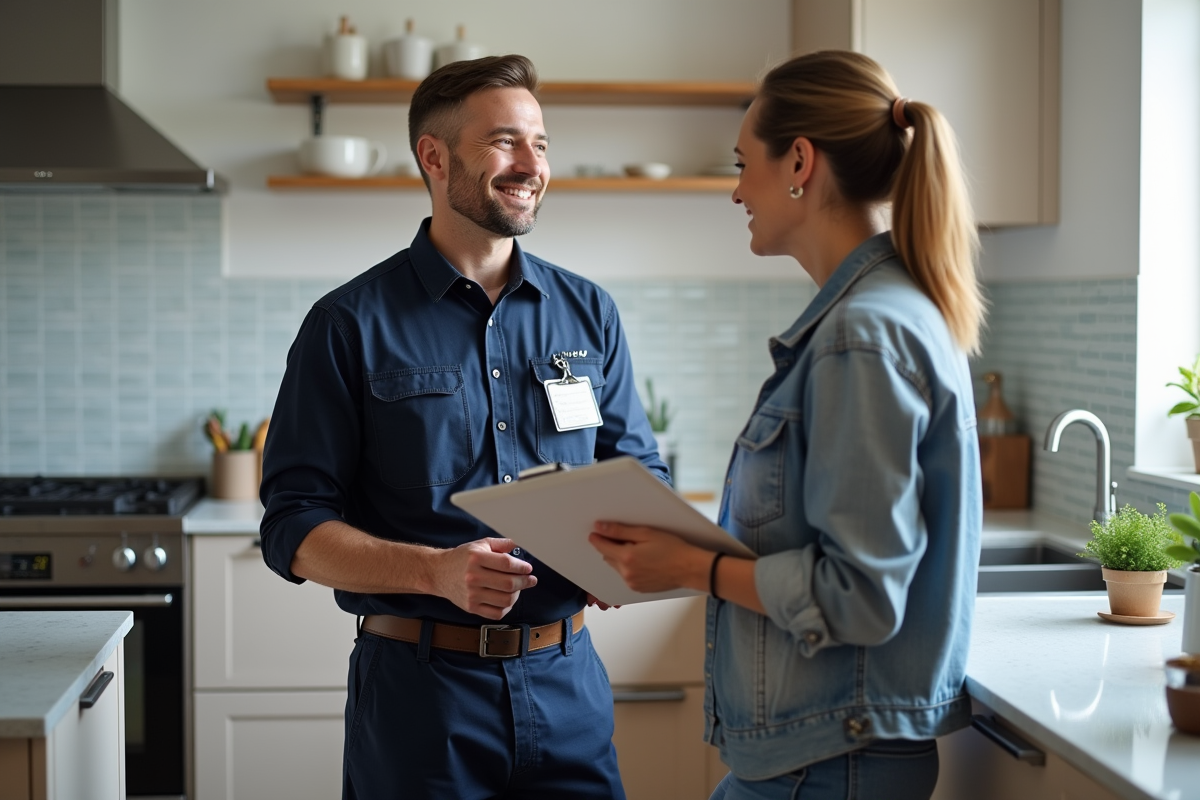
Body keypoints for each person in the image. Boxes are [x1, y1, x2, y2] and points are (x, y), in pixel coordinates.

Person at [259, 54, 667, 799]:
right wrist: (433, 572)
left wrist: (623, 549)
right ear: (435, 157)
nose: (531, 164)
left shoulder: (589, 313)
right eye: (505, 142)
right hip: (423, 700)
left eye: (540, 143)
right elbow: (291, 528)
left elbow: (639, 477)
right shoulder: (347, 324)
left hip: (568, 684)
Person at [589, 50, 984, 800]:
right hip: (826, 752)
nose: (737, 190)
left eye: (744, 164)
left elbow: (860, 596)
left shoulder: (860, 335)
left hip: (830, 759)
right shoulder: (885, 312)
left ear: (800, 160)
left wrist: (689, 567)